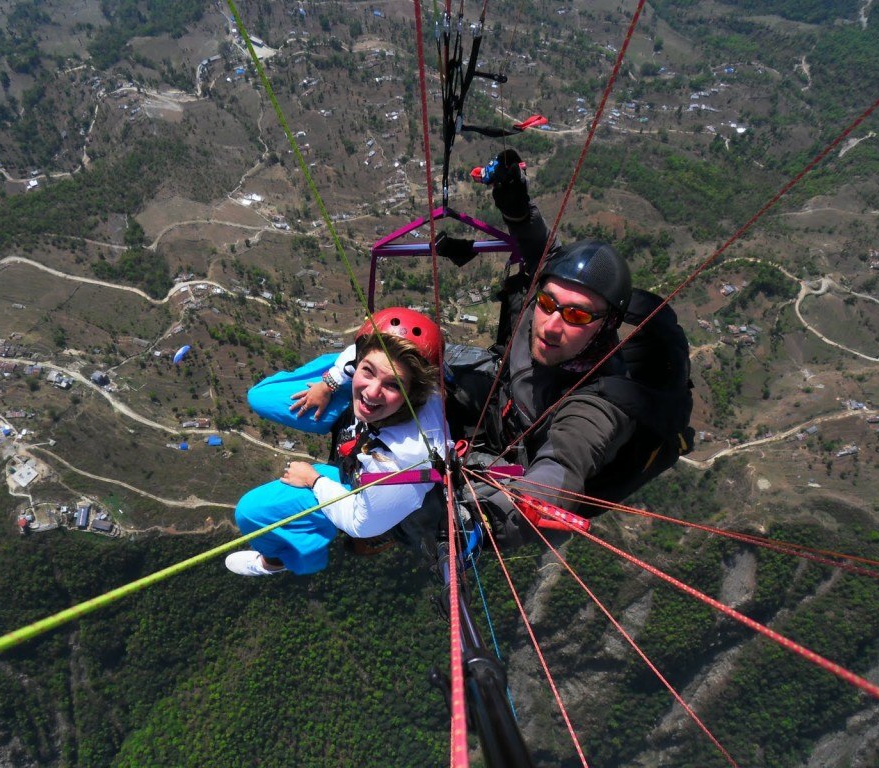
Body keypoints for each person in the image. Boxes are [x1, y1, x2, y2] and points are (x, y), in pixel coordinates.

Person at [441, 151, 693, 545]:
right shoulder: (545, 298)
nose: (552, 325)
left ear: (607, 325)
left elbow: (564, 461)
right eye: (547, 304)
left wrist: (501, 513)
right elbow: (542, 250)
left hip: (513, 462)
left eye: (577, 316)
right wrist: (516, 203)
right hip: (500, 397)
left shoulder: (601, 403)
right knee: (410, 354)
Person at [226, 308, 450, 576]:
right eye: (367, 370)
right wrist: (329, 383)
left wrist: (314, 481)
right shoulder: (407, 379)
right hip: (357, 424)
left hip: (357, 476)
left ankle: (279, 560)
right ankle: (368, 374)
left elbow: (361, 524)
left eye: (393, 385)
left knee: (251, 513)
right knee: (261, 396)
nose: (372, 391)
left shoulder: (402, 459)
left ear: (413, 394)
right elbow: (356, 353)